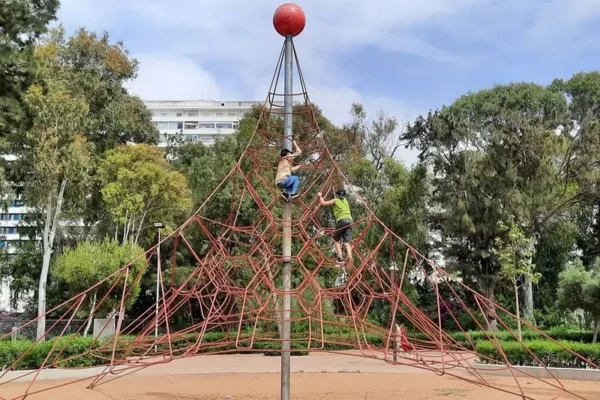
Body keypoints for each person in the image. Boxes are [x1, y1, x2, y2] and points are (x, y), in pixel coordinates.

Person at [317, 189, 353, 265]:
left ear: (337, 195)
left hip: (341, 221)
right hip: (350, 221)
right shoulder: (346, 200)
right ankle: (350, 257)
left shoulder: (335, 200)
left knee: (336, 240)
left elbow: (323, 203)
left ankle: (340, 259)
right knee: (347, 242)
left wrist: (320, 196)